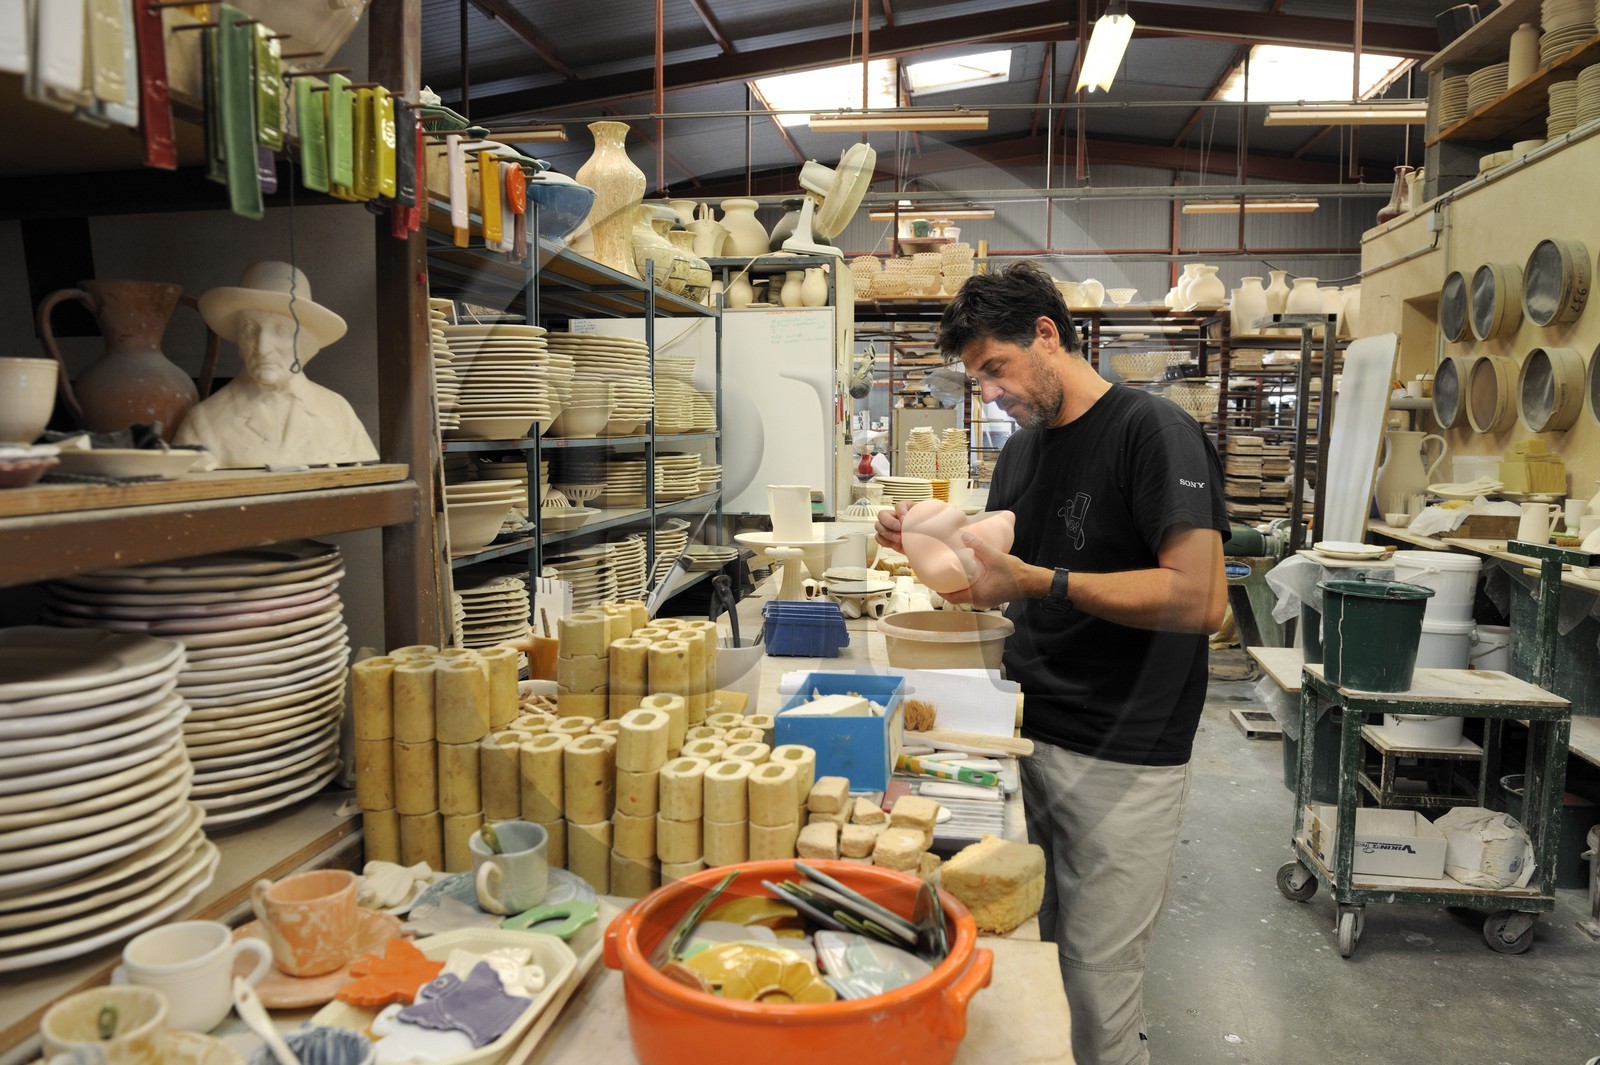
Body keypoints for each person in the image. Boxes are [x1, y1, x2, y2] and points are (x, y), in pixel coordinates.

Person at [876, 262, 1228, 1065]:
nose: (990, 392)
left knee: (1101, 989)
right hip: (1030, 737)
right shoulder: (1025, 452)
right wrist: (925, 548)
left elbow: (1201, 599)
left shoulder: (1154, 431)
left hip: (1125, 754)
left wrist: (1039, 579)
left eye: (995, 368)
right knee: (1032, 958)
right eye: (977, 378)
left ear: (1047, 334)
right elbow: (999, 590)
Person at [175, 260, 379, 468]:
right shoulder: (205, 423)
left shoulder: (338, 412)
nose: (262, 347)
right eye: (250, 330)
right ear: (239, 342)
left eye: (280, 330)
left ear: (304, 341)